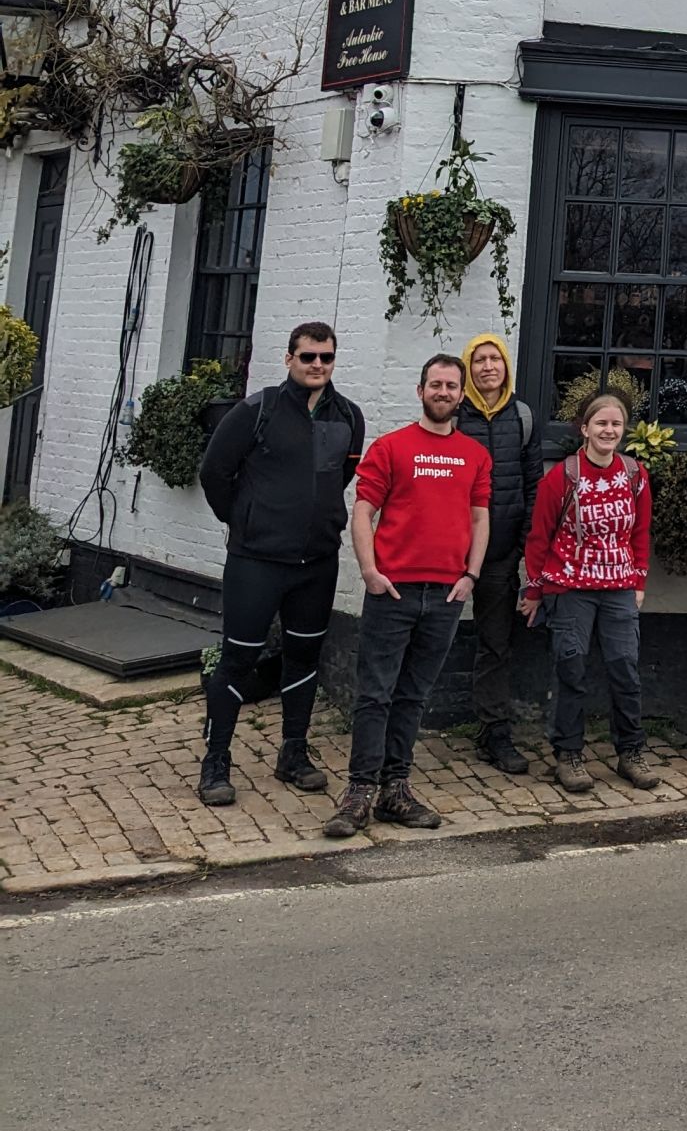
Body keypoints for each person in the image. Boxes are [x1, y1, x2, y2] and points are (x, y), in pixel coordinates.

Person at [196, 321, 365, 810]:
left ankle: (293, 753)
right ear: (289, 359)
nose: (317, 365)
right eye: (308, 356)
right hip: (256, 562)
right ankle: (216, 760)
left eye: (326, 357)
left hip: (316, 562)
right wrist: (246, 520)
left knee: (304, 658)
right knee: (238, 659)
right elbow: (215, 473)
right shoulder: (258, 408)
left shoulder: (349, 416)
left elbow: (342, 476)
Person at [323, 354, 492, 838]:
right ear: (420, 391)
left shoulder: (475, 455)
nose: (443, 392)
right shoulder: (391, 447)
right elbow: (363, 513)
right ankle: (359, 790)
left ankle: (395, 789)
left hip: (446, 594)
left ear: (462, 395)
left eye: (451, 386)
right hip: (392, 592)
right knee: (374, 695)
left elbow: (480, 518)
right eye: (435, 384)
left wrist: (471, 576)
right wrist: (370, 571)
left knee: (414, 696)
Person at [520, 387, 660, 794]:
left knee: (625, 670)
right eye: (600, 422)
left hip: (618, 588)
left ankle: (630, 750)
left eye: (615, 424)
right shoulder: (561, 477)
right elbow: (539, 537)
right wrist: (534, 590)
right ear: (584, 428)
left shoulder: (634, 474)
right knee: (571, 670)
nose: (608, 430)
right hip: (570, 588)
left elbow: (640, 532)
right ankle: (568, 754)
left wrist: (639, 580)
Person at [456, 332, 546, 774]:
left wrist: (529, 544)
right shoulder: (454, 414)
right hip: (450, 550)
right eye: (479, 360)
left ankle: (494, 732)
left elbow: (533, 485)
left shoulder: (523, 417)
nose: (488, 367)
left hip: (500, 552)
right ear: (468, 367)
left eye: (495, 359)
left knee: (496, 644)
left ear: (506, 366)